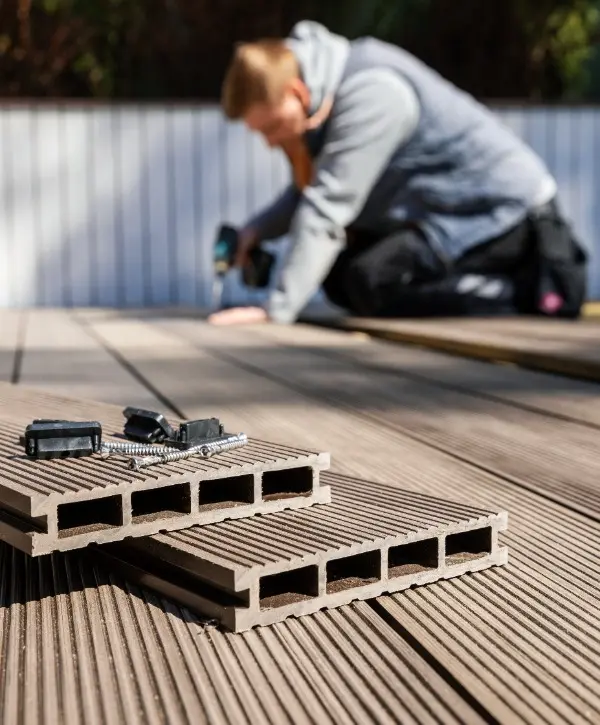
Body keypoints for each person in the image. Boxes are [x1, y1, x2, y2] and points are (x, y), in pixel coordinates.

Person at [208, 20, 588, 327]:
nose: (271, 143)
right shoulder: (325, 97)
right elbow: (307, 195)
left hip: (499, 212)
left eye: (271, 128)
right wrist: (254, 232)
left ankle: (527, 291)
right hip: (440, 215)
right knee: (341, 276)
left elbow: (327, 206)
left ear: (297, 93)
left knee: (368, 280)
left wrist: (275, 312)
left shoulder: (371, 94)